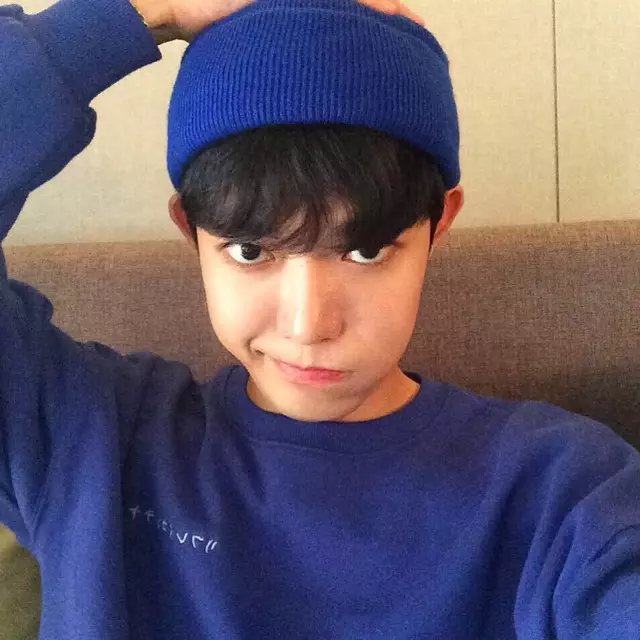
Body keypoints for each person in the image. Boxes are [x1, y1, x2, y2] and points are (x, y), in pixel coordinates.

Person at [0, 0, 638, 638]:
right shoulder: (83, 436)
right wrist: (135, 13)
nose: (308, 326)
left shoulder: (564, 492)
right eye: (250, 251)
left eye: (367, 251)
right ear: (191, 232)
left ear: (438, 225)